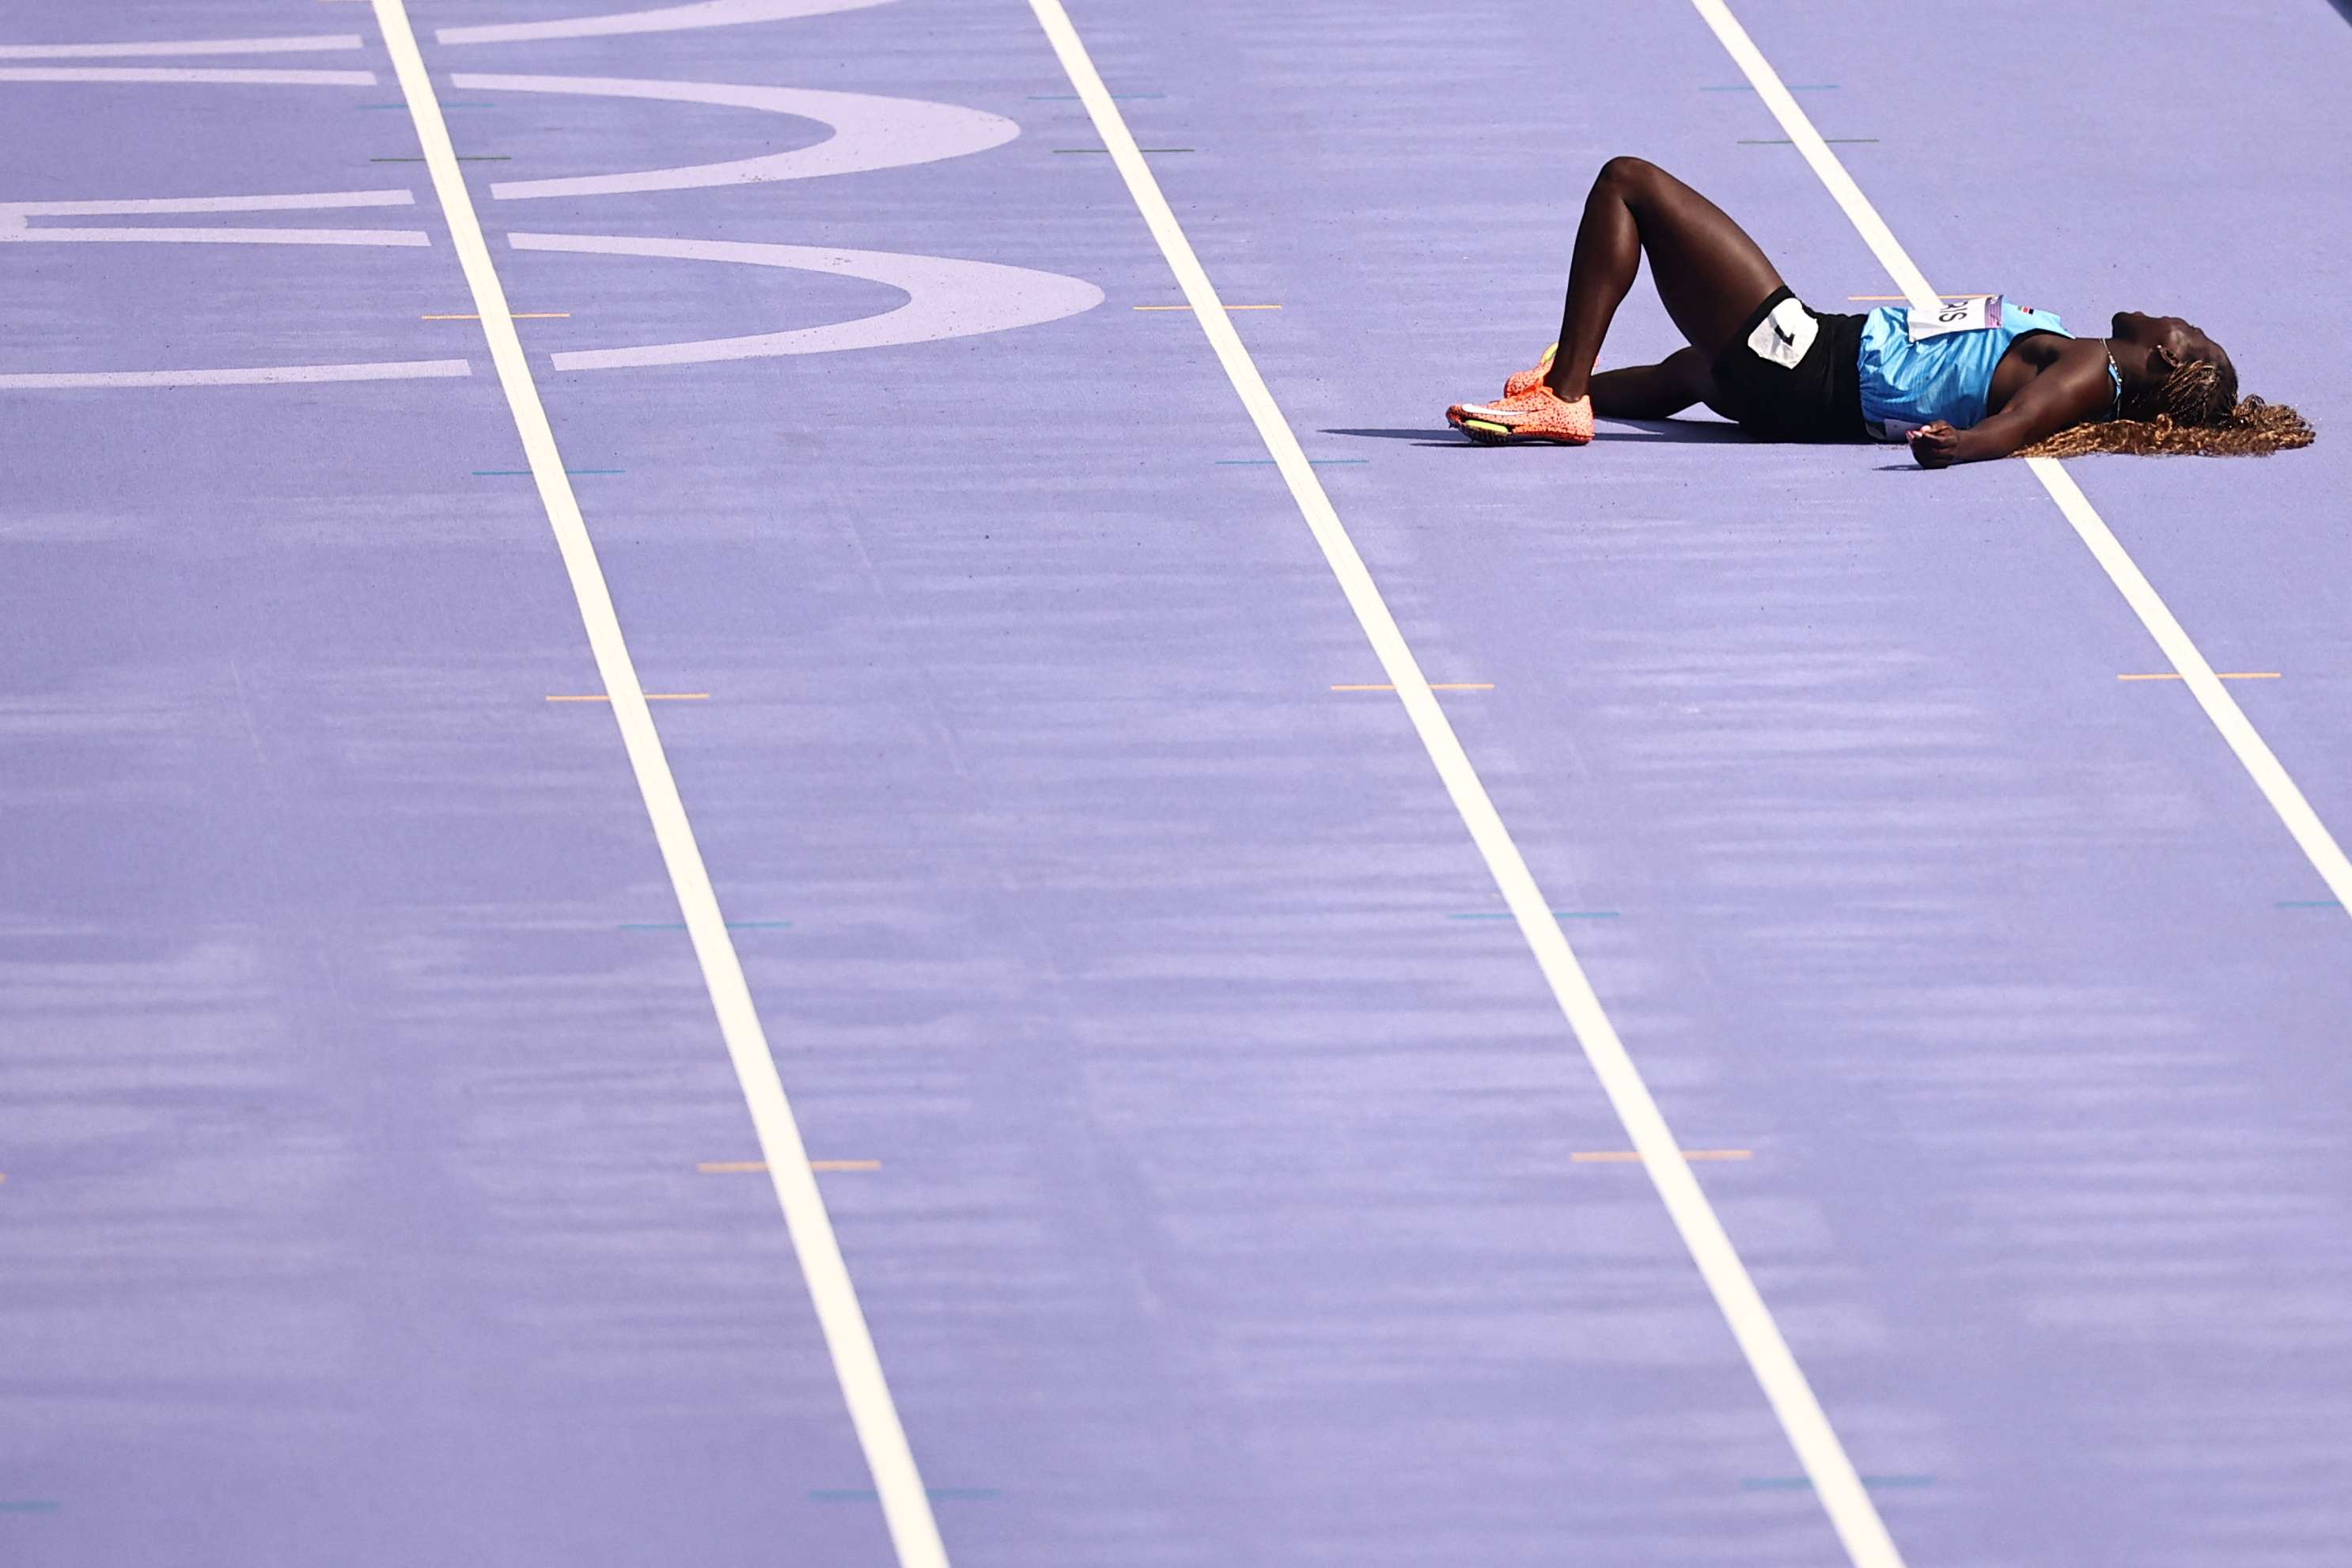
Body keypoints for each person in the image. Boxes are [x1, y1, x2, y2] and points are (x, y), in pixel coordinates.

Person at [1445, 157, 2310, 464]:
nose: (2176, 315)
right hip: (1801, 386)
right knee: (1697, 372)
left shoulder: (2091, 368)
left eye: (2187, 330)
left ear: (2166, 357)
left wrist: (1964, 445)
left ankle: (1561, 393)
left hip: (1811, 360)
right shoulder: (2087, 357)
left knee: (1629, 182)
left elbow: (2030, 418)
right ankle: (1568, 394)